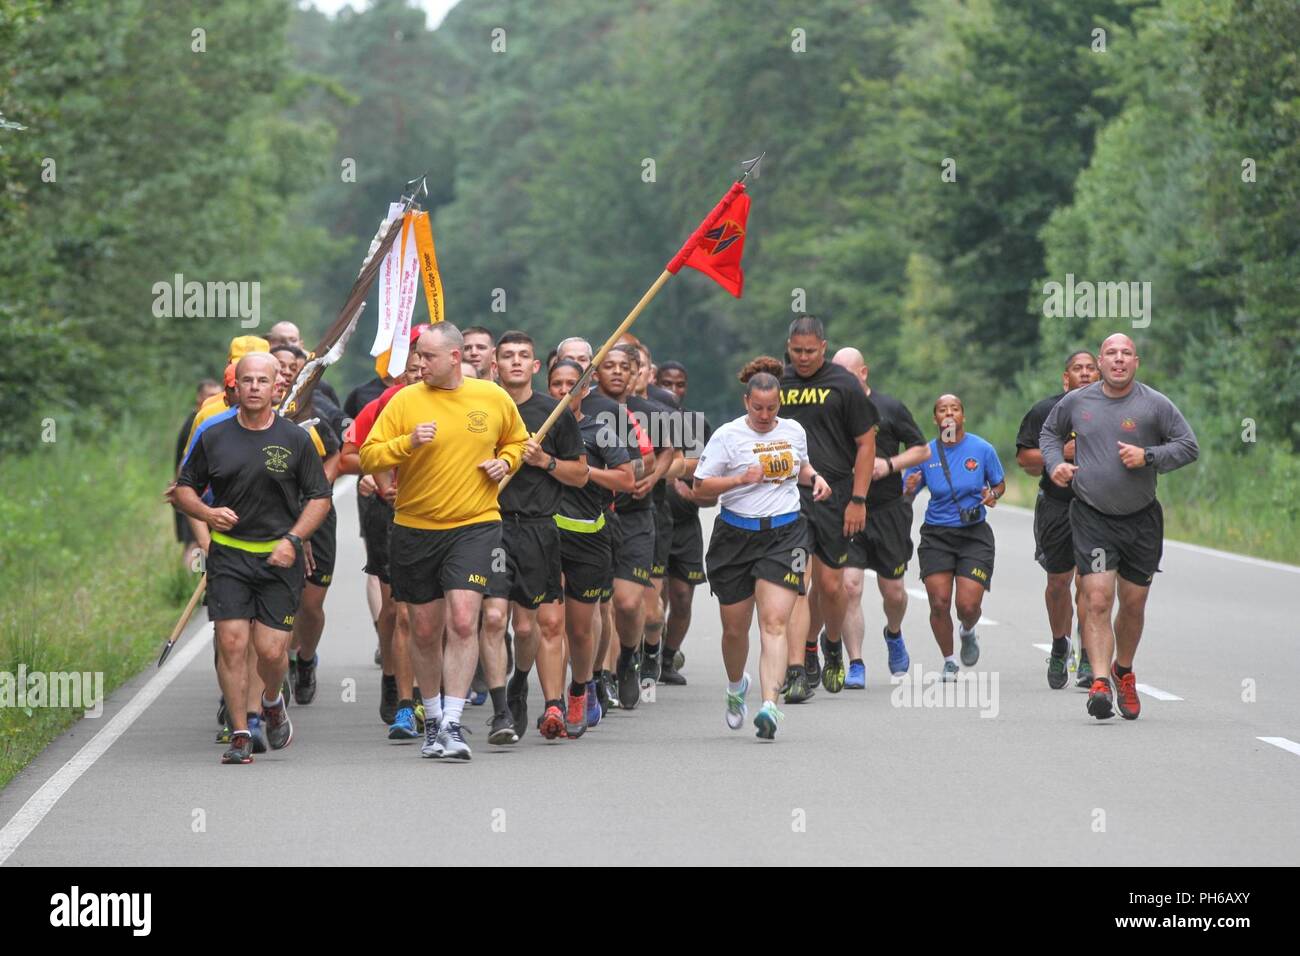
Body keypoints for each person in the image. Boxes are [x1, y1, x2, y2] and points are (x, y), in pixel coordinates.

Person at [359, 323, 529, 760]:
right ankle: (432, 718)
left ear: (455, 358)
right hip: (415, 527)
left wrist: (504, 463)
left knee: (463, 619)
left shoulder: (491, 397)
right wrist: (407, 442)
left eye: (428, 357)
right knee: (425, 628)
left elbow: (518, 442)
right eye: (418, 356)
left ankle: (452, 723)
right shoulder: (404, 401)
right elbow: (369, 455)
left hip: (475, 525)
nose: (419, 364)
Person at [173, 352, 333, 763]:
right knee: (230, 642)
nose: (255, 387)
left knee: (271, 652)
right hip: (230, 556)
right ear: (236, 387)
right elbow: (183, 489)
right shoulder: (214, 435)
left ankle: (272, 699)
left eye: (264, 380)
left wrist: (294, 539)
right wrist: (207, 514)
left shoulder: (296, 438)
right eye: (248, 381)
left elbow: (319, 497)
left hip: (279, 558)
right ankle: (241, 731)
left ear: (276, 385)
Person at [1040, 333, 1198, 720]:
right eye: (1111, 353)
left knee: (1133, 604)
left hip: (1141, 518)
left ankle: (1122, 670)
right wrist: (1055, 463)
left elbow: (1188, 446)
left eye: (1126, 353)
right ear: (1101, 361)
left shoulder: (1154, 404)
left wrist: (1149, 456)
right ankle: (1098, 682)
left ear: (1136, 362)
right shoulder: (1077, 401)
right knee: (1096, 600)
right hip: (1092, 516)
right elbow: (1049, 434)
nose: (1119, 359)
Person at [693, 372, 831, 739]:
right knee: (735, 629)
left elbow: (800, 467)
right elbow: (700, 488)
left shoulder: (794, 432)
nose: (765, 415)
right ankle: (737, 687)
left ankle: (770, 705)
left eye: (771, 408)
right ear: (746, 403)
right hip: (735, 537)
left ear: (779, 405)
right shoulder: (727, 436)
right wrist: (739, 480)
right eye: (758, 408)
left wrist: (814, 477)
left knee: (774, 623)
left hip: (786, 535)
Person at [485, 333, 589, 742]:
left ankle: (522, 684)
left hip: (537, 527)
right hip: (488, 524)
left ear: (535, 367)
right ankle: (500, 713)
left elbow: (579, 475)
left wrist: (544, 460)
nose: (515, 362)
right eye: (507, 355)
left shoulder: (554, 412)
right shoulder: (480, 407)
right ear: (494, 365)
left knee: (528, 628)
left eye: (523, 356)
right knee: (494, 618)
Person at [778, 316, 878, 701]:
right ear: (788, 347)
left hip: (835, 495)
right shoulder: (779, 382)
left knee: (831, 586)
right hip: (788, 494)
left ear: (824, 347)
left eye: (810, 351)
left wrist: (858, 499)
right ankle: (798, 666)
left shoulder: (843, 384)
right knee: (795, 583)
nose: (803, 358)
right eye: (796, 351)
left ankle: (831, 643)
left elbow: (866, 445)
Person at [545, 358, 636, 737]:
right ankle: (551, 703)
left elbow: (626, 479)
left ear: (585, 390)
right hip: (542, 535)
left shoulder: (600, 431)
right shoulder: (532, 429)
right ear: (547, 387)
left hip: (588, 534)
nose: (565, 391)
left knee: (580, 630)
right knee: (549, 623)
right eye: (557, 384)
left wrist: (578, 472)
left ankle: (582, 687)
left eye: (572, 384)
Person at [338, 344, 424, 737]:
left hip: (445, 517)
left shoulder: (463, 402)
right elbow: (349, 457)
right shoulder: (385, 403)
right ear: (398, 373)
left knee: (435, 614)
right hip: (391, 514)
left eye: (425, 367)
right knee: (398, 612)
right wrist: (379, 471)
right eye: (411, 368)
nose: (418, 374)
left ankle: (431, 693)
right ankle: (398, 685)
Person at [831, 348, 930, 687]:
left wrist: (889, 465)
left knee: (895, 593)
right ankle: (856, 662)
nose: (842, 381)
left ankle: (893, 632)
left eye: (848, 374)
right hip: (849, 509)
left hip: (889, 510)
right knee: (850, 586)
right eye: (836, 374)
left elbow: (922, 449)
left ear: (863, 373)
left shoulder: (889, 408)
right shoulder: (833, 411)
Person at [903, 394, 1005, 681]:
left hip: (974, 534)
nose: (949, 413)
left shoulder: (981, 449)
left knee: (968, 606)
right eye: (942, 410)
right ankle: (949, 660)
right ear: (935, 418)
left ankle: (968, 630)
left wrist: (993, 494)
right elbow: (907, 494)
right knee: (938, 601)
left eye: (955, 409)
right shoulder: (924, 453)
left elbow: (998, 483)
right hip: (937, 534)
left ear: (963, 416)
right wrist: (909, 487)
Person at [1015, 349, 1098, 689]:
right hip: (1056, 506)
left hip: (1097, 508)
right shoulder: (1046, 411)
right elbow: (1024, 458)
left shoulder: (1113, 411)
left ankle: (1091, 656)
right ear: (1066, 378)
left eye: (1091, 368)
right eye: (1078, 369)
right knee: (1058, 584)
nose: (1085, 374)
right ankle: (1060, 644)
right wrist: (1059, 454)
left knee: (1092, 584)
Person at [656, 360, 711, 684]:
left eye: (679, 385)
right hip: (654, 519)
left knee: (682, 596)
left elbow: (706, 474)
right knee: (654, 596)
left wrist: (698, 493)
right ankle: (645, 651)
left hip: (686, 524)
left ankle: (667, 658)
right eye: (666, 383)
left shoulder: (696, 424)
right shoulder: (646, 417)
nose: (673, 390)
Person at [174, 379, 223, 567]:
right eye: (210, 395)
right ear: (199, 397)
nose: (213, 399)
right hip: (194, 494)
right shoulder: (198, 423)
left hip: (201, 495)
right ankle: (188, 583)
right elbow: (185, 464)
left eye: (217, 395)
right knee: (194, 544)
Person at [266, 320, 341, 408]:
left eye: (292, 340)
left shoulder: (316, 385)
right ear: (269, 343)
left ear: (301, 344)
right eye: (280, 340)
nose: (287, 345)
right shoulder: (255, 377)